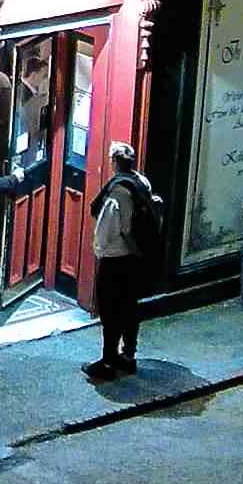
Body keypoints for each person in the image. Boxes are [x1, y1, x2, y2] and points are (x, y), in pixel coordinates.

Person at [87, 142, 162, 375]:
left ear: (113, 162)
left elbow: (105, 230)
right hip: (136, 257)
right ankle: (129, 355)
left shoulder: (117, 193)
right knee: (130, 307)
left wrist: (99, 251)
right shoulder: (141, 182)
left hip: (115, 259)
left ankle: (108, 361)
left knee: (110, 311)